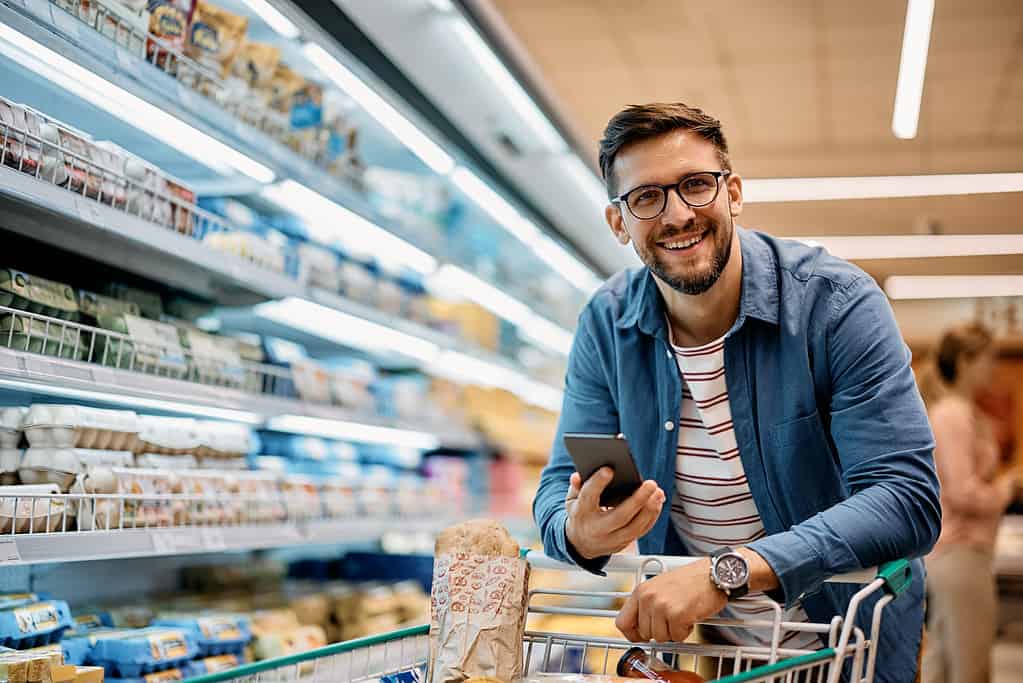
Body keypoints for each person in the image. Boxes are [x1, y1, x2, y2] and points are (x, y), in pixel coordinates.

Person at [532, 102, 941, 683]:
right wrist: (576, 531)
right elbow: (555, 488)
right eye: (646, 198)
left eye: (696, 185)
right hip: (713, 655)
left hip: (847, 644)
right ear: (619, 222)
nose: (677, 214)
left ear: (734, 193)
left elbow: (907, 498)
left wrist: (728, 571)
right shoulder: (608, 324)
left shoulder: (836, 306)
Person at [918, 324, 1017, 683]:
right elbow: (961, 492)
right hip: (960, 553)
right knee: (971, 666)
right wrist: (1008, 488)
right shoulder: (953, 416)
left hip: (959, 554)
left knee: (945, 662)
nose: (994, 367)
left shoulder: (963, 413)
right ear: (965, 361)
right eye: (988, 358)